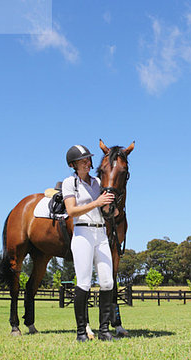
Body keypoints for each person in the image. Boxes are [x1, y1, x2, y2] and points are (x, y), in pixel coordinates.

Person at [62, 144, 116, 341]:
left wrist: (113, 209)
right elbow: (71, 211)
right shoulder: (70, 183)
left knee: (107, 281)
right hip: (82, 232)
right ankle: (80, 332)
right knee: (84, 282)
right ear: (73, 164)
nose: (87, 163)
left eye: (88, 159)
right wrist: (97, 203)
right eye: (82, 160)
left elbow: (106, 208)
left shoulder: (98, 182)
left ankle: (104, 331)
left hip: (101, 233)